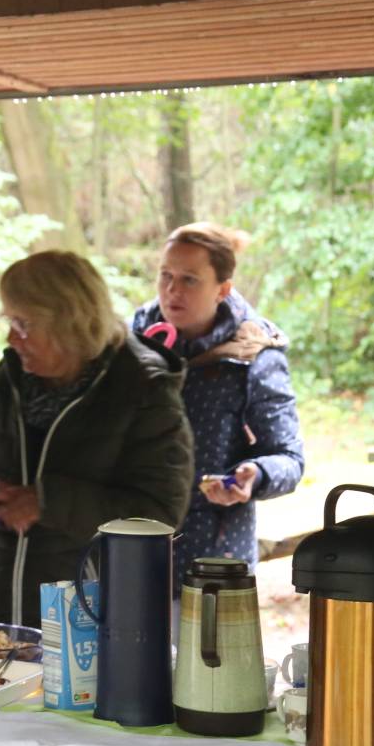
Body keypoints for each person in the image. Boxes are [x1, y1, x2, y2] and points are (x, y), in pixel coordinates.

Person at [0, 250, 194, 627]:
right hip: (2, 613)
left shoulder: (141, 390)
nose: (11, 337)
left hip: (96, 620)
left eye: (23, 324)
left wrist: (48, 502)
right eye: (9, 321)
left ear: (70, 323)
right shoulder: (8, 382)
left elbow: (159, 514)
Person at [130, 222, 305, 579]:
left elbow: (290, 459)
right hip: (132, 548)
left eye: (190, 279)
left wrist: (254, 476)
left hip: (213, 559)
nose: (172, 290)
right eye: (165, 276)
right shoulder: (132, 340)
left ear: (222, 289)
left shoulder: (255, 355)